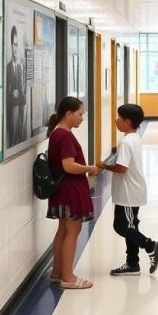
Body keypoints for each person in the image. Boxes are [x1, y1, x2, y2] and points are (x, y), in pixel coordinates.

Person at [99, 103, 158, 276]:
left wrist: (104, 166)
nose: (116, 121)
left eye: (119, 118)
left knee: (121, 226)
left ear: (127, 122)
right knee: (131, 226)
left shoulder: (126, 142)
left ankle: (151, 245)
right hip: (133, 190)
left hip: (128, 193)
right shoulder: (134, 137)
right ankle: (132, 263)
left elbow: (122, 168)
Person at [46, 96, 100, 290]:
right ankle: (68, 277)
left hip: (63, 190)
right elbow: (68, 166)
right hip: (70, 189)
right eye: (79, 114)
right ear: (68, 113)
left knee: (63, 230)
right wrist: (89, 168)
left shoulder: (56, 133)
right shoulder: (65, 135)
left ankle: (57, 271)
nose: (82, 118)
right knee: (72, 231)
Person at [6, 25, 28, 145]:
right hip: (13, 106)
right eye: (14, 44)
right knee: (13, 134)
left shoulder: (20, 67)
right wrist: (12, 93)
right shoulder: (8, 68)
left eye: (17, 45)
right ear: (10, 45)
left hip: (21, 105)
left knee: (21, 133)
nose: (16, 48)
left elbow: (23, 89)